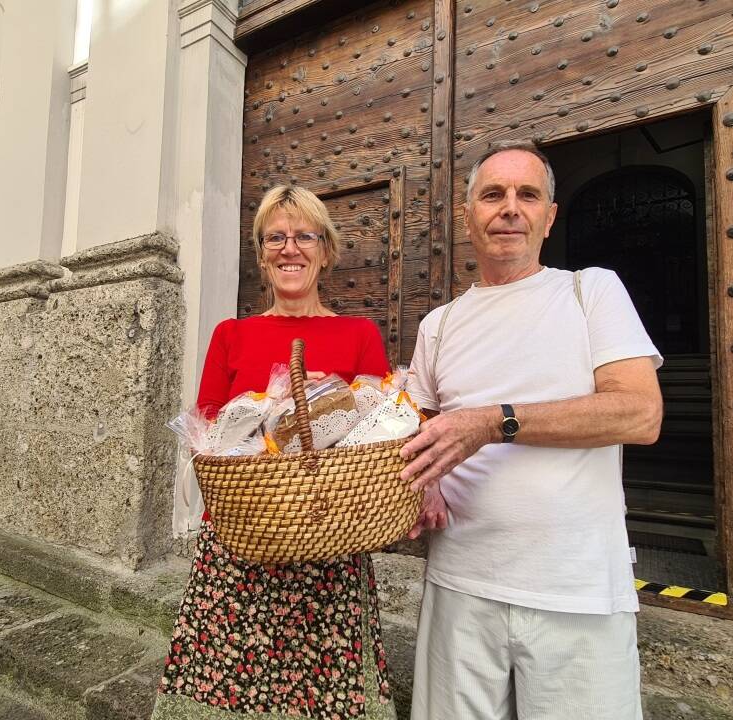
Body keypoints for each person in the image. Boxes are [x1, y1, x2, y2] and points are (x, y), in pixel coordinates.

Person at [402, 142, 664, 720]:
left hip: (575, 591)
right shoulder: (439, 325)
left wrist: (495, 422)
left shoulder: (589, 291)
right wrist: (425, 481)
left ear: (550, 215)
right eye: (492, 195)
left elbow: (640, 414)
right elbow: (411, 420)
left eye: (528, 195)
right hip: (459, 586)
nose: (510, 208)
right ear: (467, 215)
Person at [153, 185, 398, 720]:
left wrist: (324, 408)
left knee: (325, 694)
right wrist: (261, 420)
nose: (291, 248)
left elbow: (379, 431)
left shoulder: (358, 334)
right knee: (231, 685)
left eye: (305, 236)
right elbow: (209, 429)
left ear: (326, 251)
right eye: (276, 238)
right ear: (262, 254)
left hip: (329, 539)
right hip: (242, 539)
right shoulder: (232, 335)